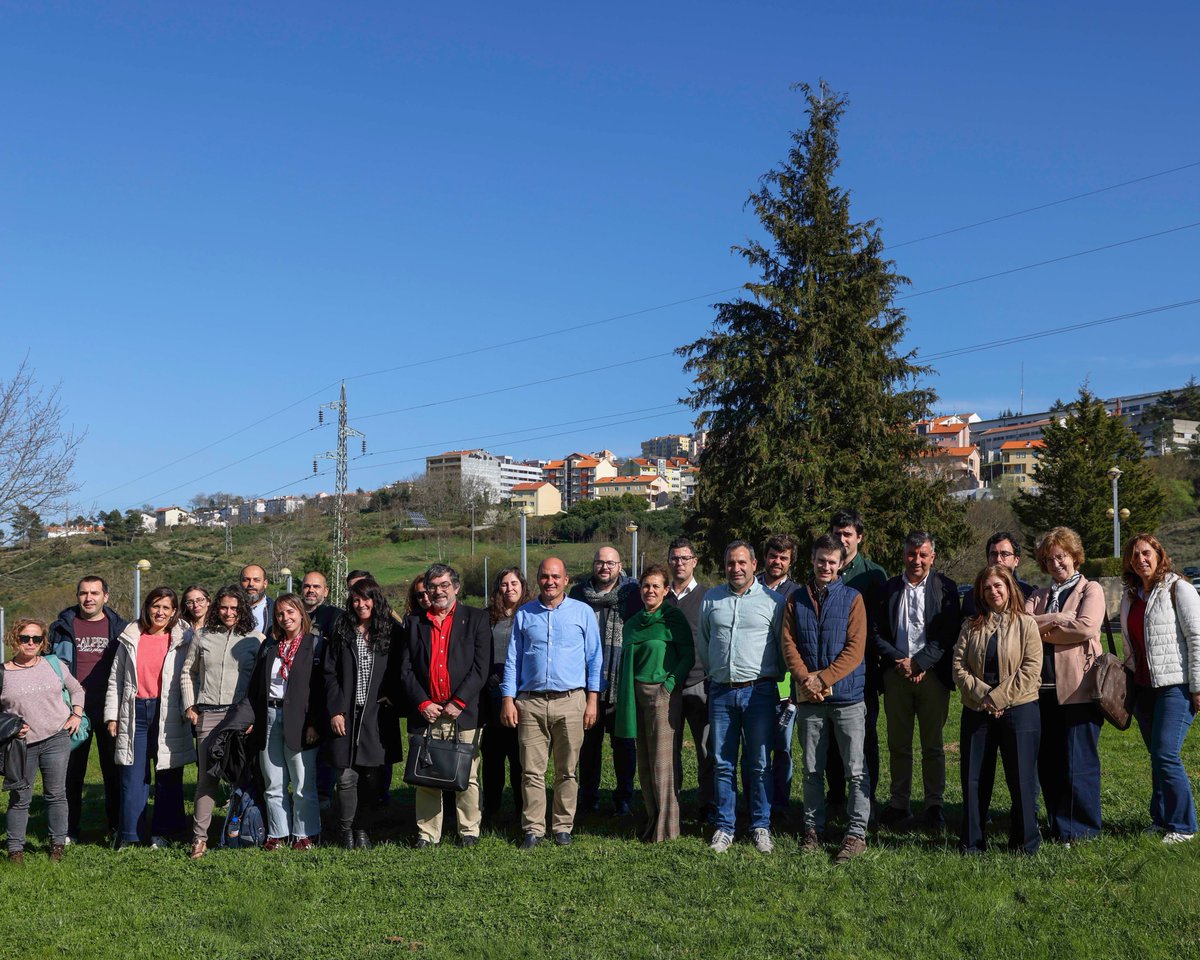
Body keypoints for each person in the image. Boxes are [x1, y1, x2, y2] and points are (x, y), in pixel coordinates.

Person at [779, 535, 870, 864]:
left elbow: (855, 649)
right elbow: (788, 643)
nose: (826, 567)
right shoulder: (796, 600)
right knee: (812, 769)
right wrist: (806, 679)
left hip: (847, 698)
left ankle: (856, 833)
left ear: (840, 564)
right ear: (812, 560)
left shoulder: (852, 599)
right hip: (810, 701)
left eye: (832, 562)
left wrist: (824, 678)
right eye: (821, 560)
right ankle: (812, 830)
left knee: (855, 770)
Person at [500, 557, 602, 849]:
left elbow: (594, 660)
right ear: (539, 579)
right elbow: (512, 661)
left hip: (571, 700)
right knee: (531, 771)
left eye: (556, 576)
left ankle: (562, 826)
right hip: (530, 703)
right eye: (545, 576)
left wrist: (592, 700)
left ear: (565, 580)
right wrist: (508, 699)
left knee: (567, 769)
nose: (550, 582)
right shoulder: (524, 614)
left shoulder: (582, 613)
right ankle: (533, 828)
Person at [698, 540, 784, 854]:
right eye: (731, 563)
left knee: (760, 763)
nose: (736, 568)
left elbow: (781, 647)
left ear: (754, 564)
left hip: (760, 691)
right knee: (722, 763)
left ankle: (761, 825)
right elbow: (705, 644)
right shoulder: (712, 599)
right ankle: (725, 827)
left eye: (742, 563)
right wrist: (717, 672)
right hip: (721, 692)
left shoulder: (773, 602)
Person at [874, 531, 961, 831]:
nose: (917, 560)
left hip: (932, 676)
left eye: (923, 555)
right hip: (896, 674)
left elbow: (948, 633)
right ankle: (899, 803)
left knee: (932, 745)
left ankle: (934, 805)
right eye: (912, 554)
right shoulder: (888, 589)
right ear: (903, 555)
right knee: (898, 744)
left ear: (932, 557)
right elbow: (876, 632)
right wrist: (900, 661)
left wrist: (921, 662)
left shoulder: (945, 588)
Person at [952, 565, 1042, 854]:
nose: (994, 591)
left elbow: (1031, 668)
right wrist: (984, 697)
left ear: (1009, 587)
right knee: (974, 778)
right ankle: (972, 842)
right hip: (977, 709)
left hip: (1019, 708)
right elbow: (958, 667)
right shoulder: (971, 625)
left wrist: (999, 698)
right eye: (987, 587)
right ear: (981, 592)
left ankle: (1024, 843)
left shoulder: (1026, 624)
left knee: (1022, 779)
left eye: (999, 585)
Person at [399, 563, 491, 847]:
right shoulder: (414, 622)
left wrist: (459, 701)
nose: (438, 592)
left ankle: (469, 831)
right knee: (426, 776)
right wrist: (423, 702)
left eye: (444, 586)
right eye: (433, 587)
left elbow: (481, 667)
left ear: (456, 588)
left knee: (468, 774)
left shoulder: (475, 618)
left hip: (463, 712)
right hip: (427, 713)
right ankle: (427, 834)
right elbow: (405, 669)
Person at [1026, 526, 1105, 843]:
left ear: (1074, 556)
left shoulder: (1091, 589)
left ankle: (1083, 830)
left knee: (1078, 763)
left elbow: (1085, 628)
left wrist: (1046, 626)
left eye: (1061, 556)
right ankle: (1059, 825)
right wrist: (1059, 619)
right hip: (1041, 691)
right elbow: (1022, 625)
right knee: (1050, 763)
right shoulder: (1039, 594)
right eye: (1049, 558)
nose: (1056, 563)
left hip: (1078, 691)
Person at [1120, 533, 1200, 843]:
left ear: (1158, 554)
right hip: (1143, 688)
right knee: (1156, 755)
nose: (1140, 559)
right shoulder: (1132, 595)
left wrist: (1197, 686)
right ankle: (1162, 818)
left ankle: (1183, 826)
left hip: (1175, 685)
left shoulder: (1178, 588)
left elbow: (1196, 637)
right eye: (1135, 555)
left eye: (1146, 553)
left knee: (1166, 753)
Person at [105, 587, 195, 849]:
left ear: (174, 611)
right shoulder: (131, 636)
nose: (160, 612)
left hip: (168, 712)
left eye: (166, 607)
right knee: (133, 775)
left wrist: (189, 707)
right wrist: (112, 716)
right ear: (147, 607)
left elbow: (191, 675)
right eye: (156, 606)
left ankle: (162, 833)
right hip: (136, 712)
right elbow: (116, 679)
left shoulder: (184, 637)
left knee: (167, 773)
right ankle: (129, 836)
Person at [180, 585, 263, 859]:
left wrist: (253, 717)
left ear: (243, 610)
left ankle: (242, 832)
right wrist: (190, 705)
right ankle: (199, 838)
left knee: (243, 777)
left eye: (235, 608)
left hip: (240, 715)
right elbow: (187, 672)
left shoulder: (256, 639)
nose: (229, 613)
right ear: (217, 608)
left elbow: (259, 685)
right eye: (224, 607)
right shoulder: (202, 635)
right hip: (209, 713)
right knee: (208, 778)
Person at [615, 564, 693, 842]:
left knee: (663, 763)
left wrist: (668, 686)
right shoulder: (634, 623)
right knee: (645, 763)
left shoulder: (673, 618)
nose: (650, 590)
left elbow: (687, 656)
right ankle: (652, 819)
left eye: (656, 586)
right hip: (636, 695)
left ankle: (667, 828)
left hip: (663, 696)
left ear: (666, 590)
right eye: (646, 586)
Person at [324, 577, 402, 850]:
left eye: (365, 599)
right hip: (347, 713)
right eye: (355, 599)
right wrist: (335, 710)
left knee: (371, 777)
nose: (360, 605)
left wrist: (394, 698)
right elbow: (330, 673)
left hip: (377, 716)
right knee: (346, 776)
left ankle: (363, 830)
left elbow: (402, 669)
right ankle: (345, 830)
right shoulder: (342, 628)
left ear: (375, 599)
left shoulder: (391, 630)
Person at [48, 575, 128, 842]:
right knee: (70, 773)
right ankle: (68, 830)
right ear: (77, 595)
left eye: (95, 593)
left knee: (114, 772)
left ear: (106, 596)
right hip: (72, 710)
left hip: (110, 709)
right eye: (83, 593)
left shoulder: (120, 628)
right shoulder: (61, 627)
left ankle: (116, 826)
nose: (89, 598)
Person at [1, 618, 84, 863]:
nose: (30, 643)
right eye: (25, 638)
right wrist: (12, 729)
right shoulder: (3, 672)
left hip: (56, 738)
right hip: (20, 746)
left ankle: (57, 845)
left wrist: (76, 714)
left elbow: (77, 689)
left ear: (43, 641)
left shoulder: (53, 664)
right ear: (15, 639)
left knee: (56, 794)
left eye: (36, 638)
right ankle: (15, 849)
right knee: (20, 798)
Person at [247, 593, 325, 850]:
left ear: (301, 614)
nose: (285, 618)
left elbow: (320, 689)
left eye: (290, 612)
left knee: (302, 782)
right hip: (270, 716)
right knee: (273, 781)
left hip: (301, 720)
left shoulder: (315, 645)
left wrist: (314, 722)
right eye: (280, 614)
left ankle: (305, 833)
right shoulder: (269, 646)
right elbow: (256, 688)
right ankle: (278, 834)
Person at [569, 545, 641, 817]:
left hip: (622, 681)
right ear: (593, 564)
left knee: (624, 744)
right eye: (600, 563)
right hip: (587, 683)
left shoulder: (631, 593)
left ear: (620, 566)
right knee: (588, 746)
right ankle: (589, 797)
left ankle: (624, 797)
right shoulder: (578, 594)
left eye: (611, 563)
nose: (605, 568)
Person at [826, 509, 888, 819]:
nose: (842, 539)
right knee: (831, 741)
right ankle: (835, 796)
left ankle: (867, 799)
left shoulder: (874, 574)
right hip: (827, 669)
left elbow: (880, 623)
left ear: (859, 538)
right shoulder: (824, 570)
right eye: (837, 533)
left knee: (865, 738)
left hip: (863, 670)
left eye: (847, 534)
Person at [664, 537, 713, 822]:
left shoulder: (708, 596)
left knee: (707, 750)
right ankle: (672, 805)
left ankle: (708, 806)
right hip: (668, 685)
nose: (679, 563)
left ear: (694, 561)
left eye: (685, 558)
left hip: (699, 683)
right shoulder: (660, 596)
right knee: (669, 752)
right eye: (674, 558)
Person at [755, 534, 800, 819]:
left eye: (783, 557)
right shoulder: (751, 586)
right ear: (765, 557)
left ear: (790, 562)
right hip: (754, 682)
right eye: (773, 555)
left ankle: (781, 804)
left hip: (785, 687)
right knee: (755, 750)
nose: (777, 561)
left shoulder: (797, 593)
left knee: (782, 749)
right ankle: (756, 802)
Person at [482, 567, 529, 826]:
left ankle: (523, 809)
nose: (509, 588)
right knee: (492, 756)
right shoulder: (487, 617)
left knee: (520, 757)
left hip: (523, 694)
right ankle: (491, 808)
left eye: (514, 583)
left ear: (522, 586)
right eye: (504, 584)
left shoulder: (532, 613)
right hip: (492, 694)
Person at [300, 571, 339, 643]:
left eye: (316, 586)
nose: (311, 590)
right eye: (307, 586)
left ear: (325, 591)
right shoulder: (290, 615)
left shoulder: (335, 617)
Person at [241, 564, 273, 636]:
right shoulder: (230, 610)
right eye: (246, 580)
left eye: (256, 580)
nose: (251, 584)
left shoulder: (275, 610)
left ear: (265, 583)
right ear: (240, 583)